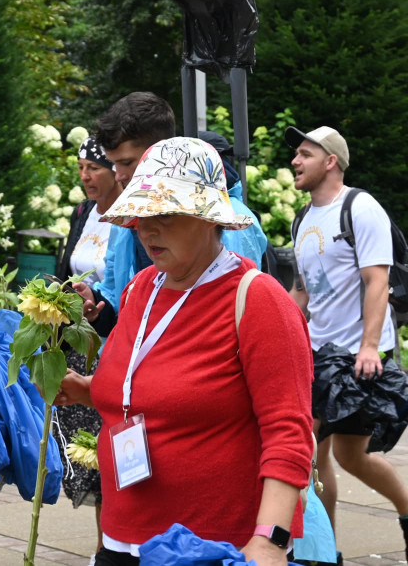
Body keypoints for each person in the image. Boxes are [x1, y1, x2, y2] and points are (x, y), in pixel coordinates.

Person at [56, 136, 314, 566]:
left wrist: (269, 540)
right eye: (142, 213)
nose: (148, 227)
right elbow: (147, 382)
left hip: (213, 545)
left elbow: (289, 431)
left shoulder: (258, 299)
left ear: (210, 219)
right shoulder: (143, 288)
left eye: (167, 214)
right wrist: (89, 390)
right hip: (123, 537)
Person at [286, 125, 408, 557]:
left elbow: (378, 281)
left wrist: (370, 347)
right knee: (313, 454)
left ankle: (400, 516)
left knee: (337, 456)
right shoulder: (304, 218)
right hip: (318, 355)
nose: (295, 161)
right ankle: (323, 551)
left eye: (304, 154)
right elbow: (302, 289)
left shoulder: (360, 207)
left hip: (356, 358)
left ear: (331, 161)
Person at [86, 92, 268, 317]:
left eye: (127, 163)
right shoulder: (123, 225)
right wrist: (95, 305)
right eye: (138, 220)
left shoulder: (226, 218)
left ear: (162, 152)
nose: (119, 176)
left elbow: (232, 310)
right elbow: (119, 302)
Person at [52, 137, 121, 558]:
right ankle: (104, 547)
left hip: (113, 342)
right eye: (80, 168)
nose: (85, 176)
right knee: (90, 456)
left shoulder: (127, 218)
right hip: (82, 344)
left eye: (93, 167)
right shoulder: (84, 212)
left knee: (112, 451)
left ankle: (109, 547)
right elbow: (66, 272)